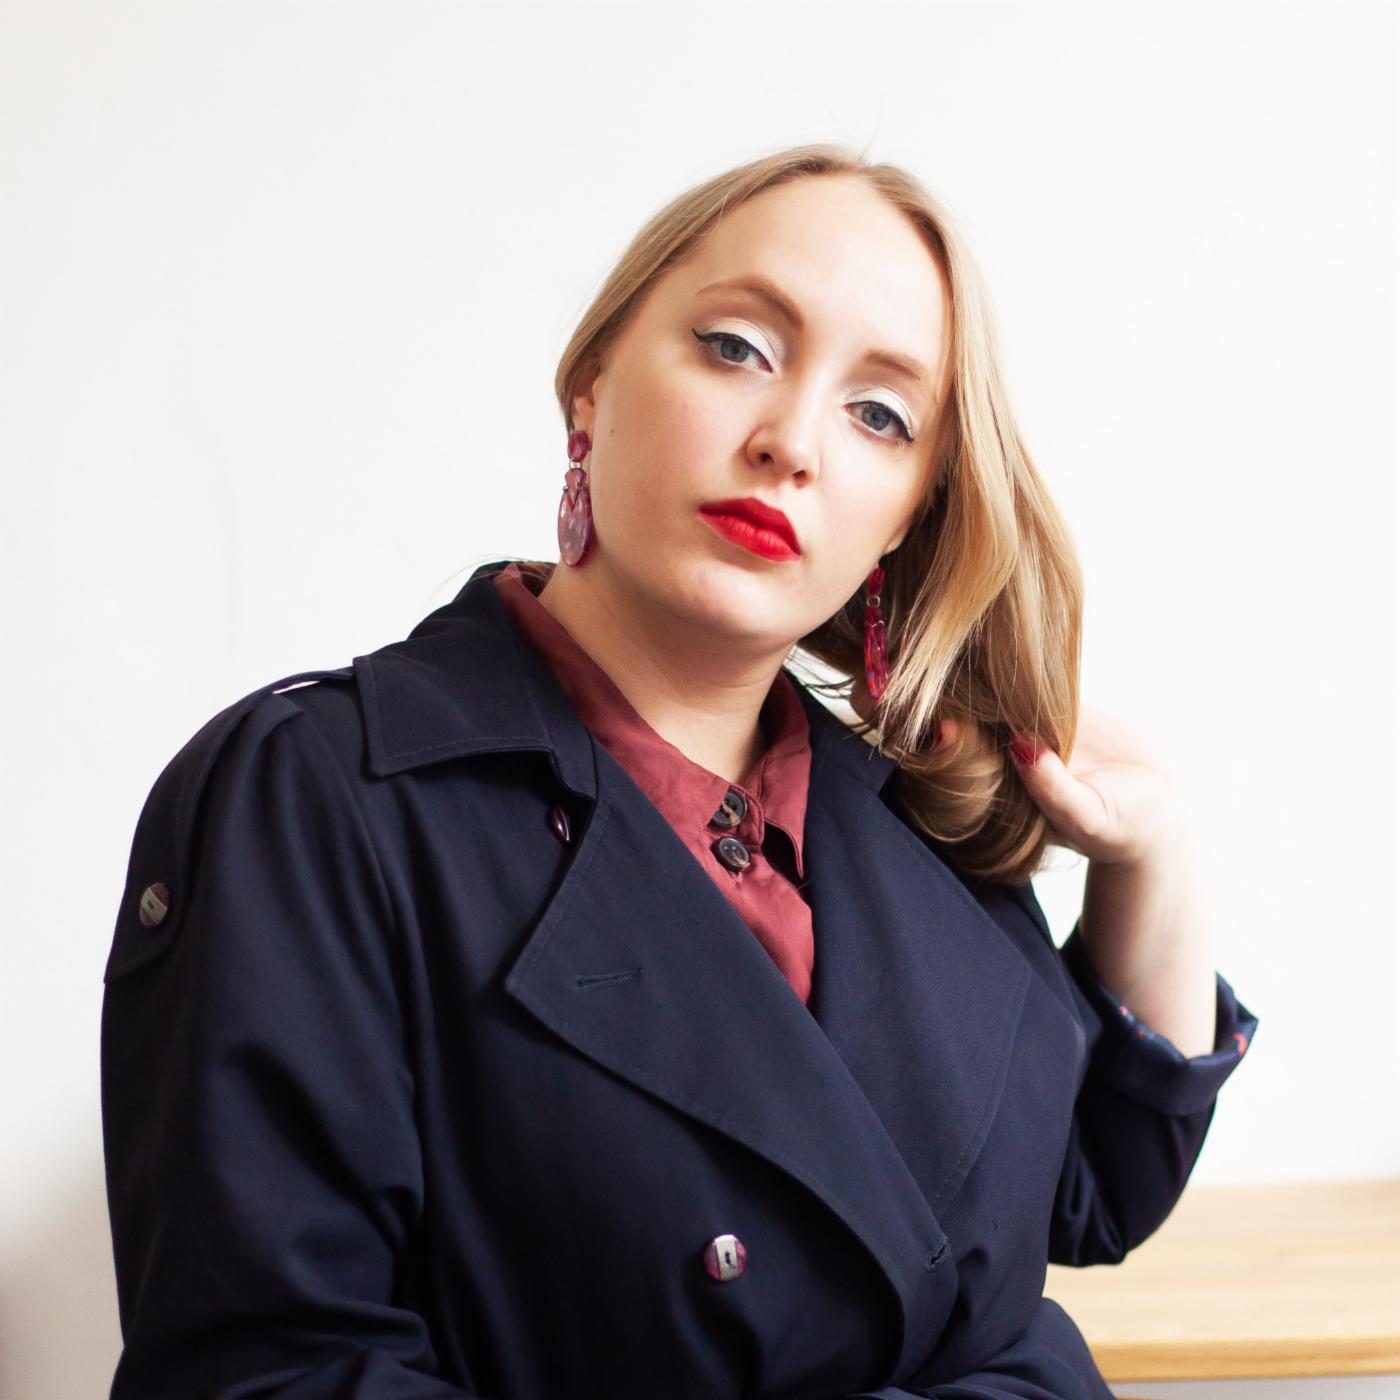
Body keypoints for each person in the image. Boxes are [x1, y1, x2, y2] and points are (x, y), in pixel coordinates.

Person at [100, 143, 1260, 1400]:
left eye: (878, 413)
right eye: (736, 347)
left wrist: (1155, 853)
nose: (790, 442)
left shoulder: (911, 816)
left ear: (904, 515)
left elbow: (1090, 1189)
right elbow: (267, 1375)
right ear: (592, 383)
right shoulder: (317, 796)